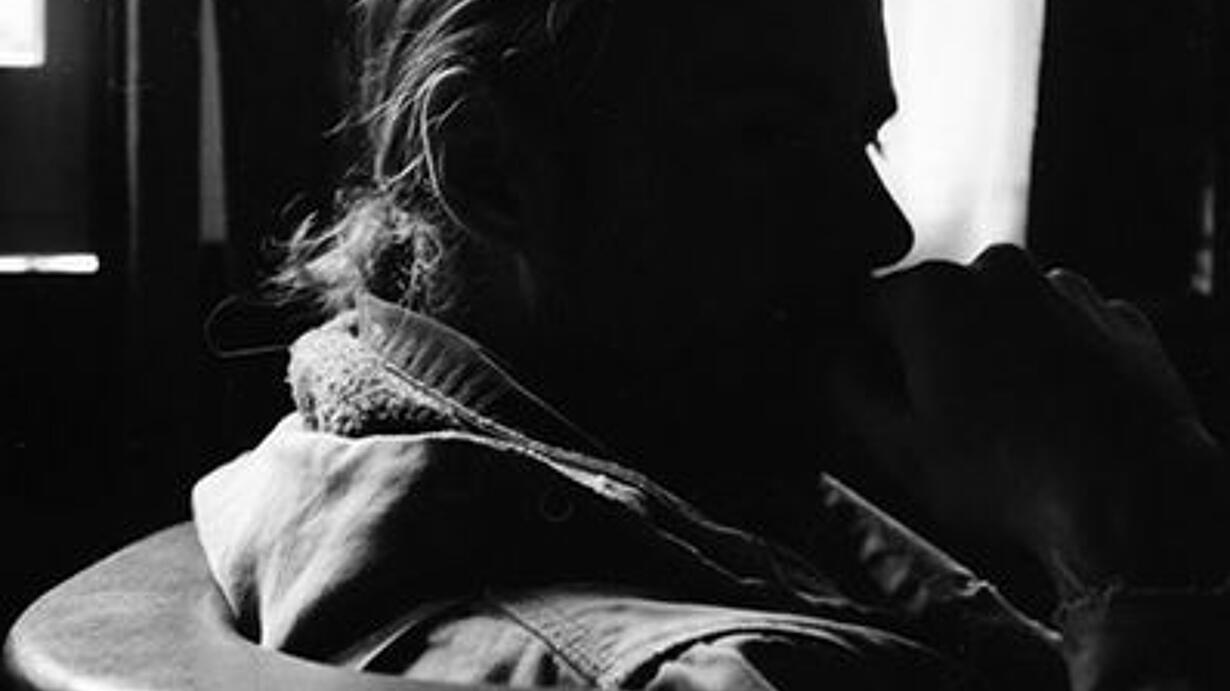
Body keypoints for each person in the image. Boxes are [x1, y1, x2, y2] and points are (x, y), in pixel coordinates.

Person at [192, 0, 1230, 688]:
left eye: (864, 136)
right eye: (768, 137)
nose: (883, 228)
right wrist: (1144, 552)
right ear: (490, 170)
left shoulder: (331, 467)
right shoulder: (721, 673)